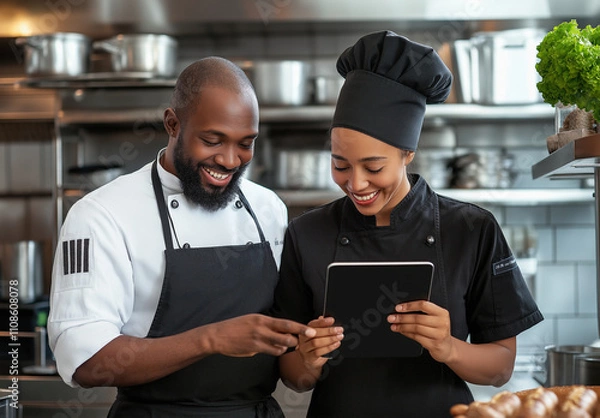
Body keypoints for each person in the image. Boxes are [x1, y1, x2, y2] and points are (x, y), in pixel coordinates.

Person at [271, 31, 544, 417]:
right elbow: (293, 375)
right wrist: (309, 360)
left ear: (407, 154)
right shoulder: (307, 233)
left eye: (374, 166)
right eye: (340, 165)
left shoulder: (470, 229)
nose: (356, 183)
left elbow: (500, 368)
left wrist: (448, 347)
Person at [47, 57, 316, 418]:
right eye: (212, 140)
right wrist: (211, 339)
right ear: (173, 123)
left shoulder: (268, 208)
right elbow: (87, 362)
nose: (230, 160)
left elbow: (286, 350)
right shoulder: (102, 214)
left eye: (245, 144)